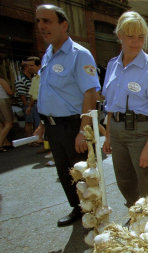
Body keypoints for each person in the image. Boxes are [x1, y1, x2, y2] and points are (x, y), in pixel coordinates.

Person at [34, 4, 100, 227]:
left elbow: (90, 93)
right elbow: (48, 92)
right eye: (38, 21)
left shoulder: (79, 55)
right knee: (65, 173)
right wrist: (43, 123)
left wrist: (83, 130)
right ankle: (78, 209)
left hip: (74, 126)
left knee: (84, 174)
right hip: (53, 126)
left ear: (64, 25)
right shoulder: (48, 55)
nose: (41, 26)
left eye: (47, 21)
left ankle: (95, 213)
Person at [102, 11, 148, 211]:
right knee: (123, 179)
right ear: (119, 35)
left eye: (141, 37)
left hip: (141, 131)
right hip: (116, 130)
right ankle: (135, 214)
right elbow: (110, 103)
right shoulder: (112, 65)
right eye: (130, 36)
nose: (136, 42)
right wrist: (107, 134)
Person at [15, 62, 38, 143]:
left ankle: (36, 138)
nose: (31, 68)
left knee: (36, 122)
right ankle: (29, 140)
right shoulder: (21, 78)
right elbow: (21, 94)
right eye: (29, 66)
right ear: (25, 68)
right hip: (28, 103)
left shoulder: (33, 77)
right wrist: (27, 105)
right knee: (29, 122)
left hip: (35, 103)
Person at [25, 57, 43, 144]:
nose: (29, 68)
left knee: (45, 125)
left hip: (45, 104)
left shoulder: (44, 76)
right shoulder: (34, 78)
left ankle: (49, 148)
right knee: (38, 126)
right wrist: (29, 106)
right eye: (28, 66)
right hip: (37, 104)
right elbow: (33, 94)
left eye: (32, 65)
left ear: (39, 66)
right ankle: (44, 145)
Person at [0, 75, 14, 152]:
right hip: (3, 100)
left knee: (1, 124)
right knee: (9, 123)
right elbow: (10, 92)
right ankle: (0, 143)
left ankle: (6, 142)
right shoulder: (1, 80)